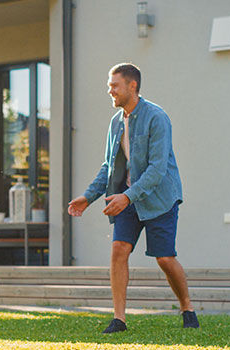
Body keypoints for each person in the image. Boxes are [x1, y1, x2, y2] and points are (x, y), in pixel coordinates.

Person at [68, 63, 198, 334]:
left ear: (132, 86)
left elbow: (157, 169)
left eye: (114, 85)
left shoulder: (156, 117)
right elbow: (109, 166)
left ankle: (187, 306)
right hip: (126, 197)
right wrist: (87, 197)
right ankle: (119, 319)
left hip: (159, 196)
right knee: (118, 251)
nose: (109, 90)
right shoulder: (116, 123)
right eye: (109, 85)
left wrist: (127, 197)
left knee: (164, 258)